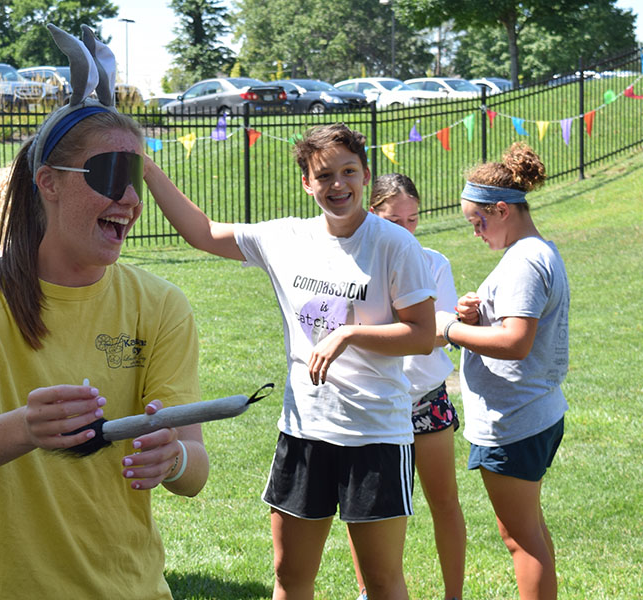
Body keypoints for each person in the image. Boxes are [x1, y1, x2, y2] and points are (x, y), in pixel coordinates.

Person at [0, 24, 208, 599]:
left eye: (137, 178)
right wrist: (28, 425)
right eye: (111, 177)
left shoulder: (161, 305)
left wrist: (172, 460)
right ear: (47, 182)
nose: (131, 201)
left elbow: (194, 467)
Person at [145, 122, 436, 600]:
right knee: (289, 576)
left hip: (375, 435)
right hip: (304, 433)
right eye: (324, 176)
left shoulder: (393, 244)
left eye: (348, 171)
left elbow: (423, 335)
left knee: (383, 582)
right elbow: (202, 233)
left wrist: (349, 334)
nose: (337, 185)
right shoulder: (286, 238)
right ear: (307, 183)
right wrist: (147, 167)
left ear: (366, 174)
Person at [435, 142, 569, 600]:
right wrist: (477, 315)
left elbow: (515, 342)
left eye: (477, 221)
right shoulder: (532, 253)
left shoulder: (525, 262)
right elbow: (511, 326)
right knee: (530, 531)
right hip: (532, 412)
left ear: (501, 210)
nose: (475, 232)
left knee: (521, 539)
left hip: (515, 419)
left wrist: (450, 330)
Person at [348, 173, 465, 600]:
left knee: (444, 502)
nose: (407, 230)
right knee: (365, 510)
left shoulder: (433, 262)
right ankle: (368, 591)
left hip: (425, 400)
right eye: (395, 221)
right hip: (375, 403)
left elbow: (440, 328)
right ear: (373, 214)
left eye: (413, 219)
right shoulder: (357, 265)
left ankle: (454, 595)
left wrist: (444, 323)